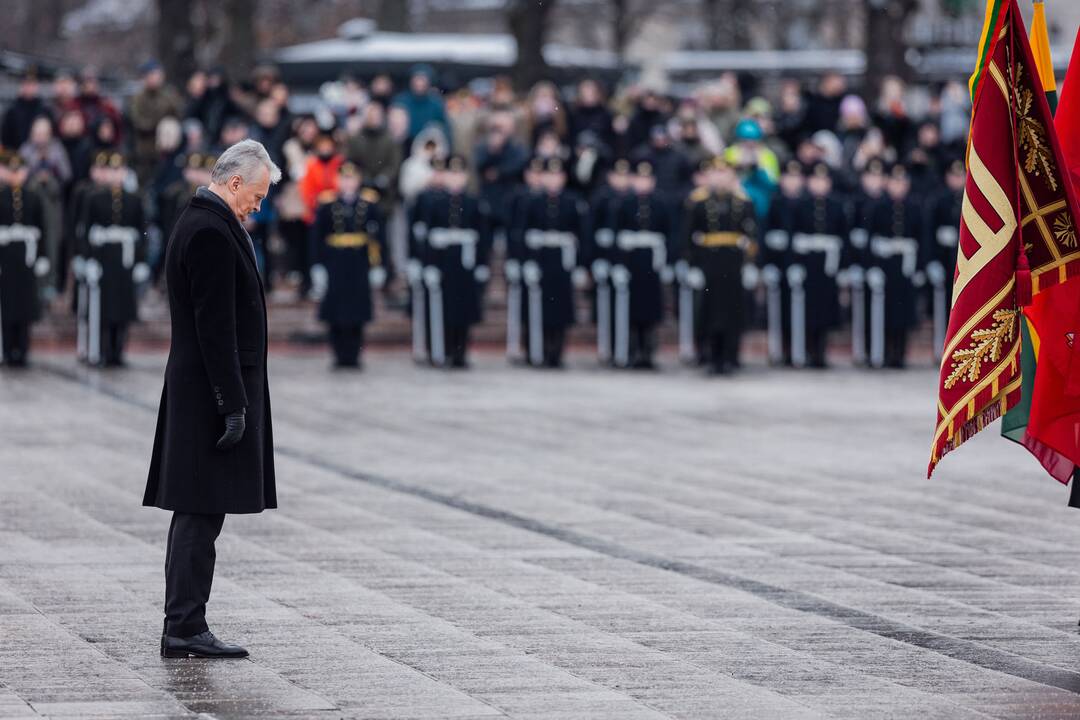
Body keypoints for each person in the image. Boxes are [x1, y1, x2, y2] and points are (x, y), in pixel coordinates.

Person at [144, 139, 280, 659]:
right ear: (236, 181)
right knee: (199, 512)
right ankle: (183, 625)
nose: (259, 206)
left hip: (207, 387)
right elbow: (215, 328)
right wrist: (232, 402)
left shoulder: (211, 224)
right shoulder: (208, 231)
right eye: (258, 195)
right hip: (208, 391)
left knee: (201, 511)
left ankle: (186, 622)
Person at [411, 155, 491, 368]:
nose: (455, 179)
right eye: (451, 174)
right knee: (441, 309)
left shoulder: (473, 202)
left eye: (459, 174)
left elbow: (482, 236)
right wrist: (427, 264)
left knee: (462, 310)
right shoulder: (433, 202)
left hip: (465, 263)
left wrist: (482, 264)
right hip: (442, 262)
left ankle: (460, 352)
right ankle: (439, 350)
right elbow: (425, 236)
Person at [681, 157, 758, 374]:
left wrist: (751, 263)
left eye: (724, 173)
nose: (720, 177)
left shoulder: (743, 201)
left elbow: (752, 234)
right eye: (715, 173)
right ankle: (711, 356)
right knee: (709, 311)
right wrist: (691, 264)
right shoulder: (698, 201)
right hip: (708, 260)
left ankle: (731, 356)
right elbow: (687, 235)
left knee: (733, 311)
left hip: (733, 261)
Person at [309, 162, 388, 368]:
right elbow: (317, 237)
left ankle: (354, 354)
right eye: (344, 178)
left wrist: (379, 266)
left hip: (359, 261)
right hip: (335, 261)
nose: (348, 183)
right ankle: (339, 353)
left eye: (351, 178)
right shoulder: (327, 204)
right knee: (336, 310)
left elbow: (380, 238)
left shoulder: (369, 204)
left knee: (357, 309)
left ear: (358, 180)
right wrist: (317, 265)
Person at [512, 157, 587, 368]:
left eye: (557, 175)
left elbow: (581, 233)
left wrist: (580, 264)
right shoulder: (531, 201)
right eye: (548, 175)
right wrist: (524, 261)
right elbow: (520, 232)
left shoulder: (572, 201)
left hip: (563, 261)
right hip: (540, 259)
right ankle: (535, 351)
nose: (553, 180)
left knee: (560, 309)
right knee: (537, 308)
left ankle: (556, 352)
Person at [75, 152, 147, 367]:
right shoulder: (94, 198)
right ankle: (102, 349)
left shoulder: (135, 199)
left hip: (125, 261)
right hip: (104, 259)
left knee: (122, 308)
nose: (116, 175)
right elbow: (86, 230)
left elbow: (142, 231)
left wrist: (141, 261)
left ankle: (118, 351)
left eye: (120, 170)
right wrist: (88, 258)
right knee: (103, 308)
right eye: (112, 170)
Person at [613, 161, 676, 369]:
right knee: (631, 310)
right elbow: (616, 234)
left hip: (652, 261)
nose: (643, 183)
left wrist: (668, 263)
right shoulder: (625, 203)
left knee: (651, 310)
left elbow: (669, 234)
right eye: (639, 178)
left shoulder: (660, 203)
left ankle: (648, 353)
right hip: (632, 261)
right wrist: (618, 263)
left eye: (647, 179)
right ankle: (631, 351)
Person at [787, 162, 847, 368]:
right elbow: (792, 235)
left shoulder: (837, 205)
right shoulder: (800, 205)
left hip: (828, 265)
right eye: (816, 180)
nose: (819, 184)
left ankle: (821, 353)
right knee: (808, 310)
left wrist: (844, 268)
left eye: (823, 180)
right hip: (808, 263)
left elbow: (843, 236)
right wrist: (794, 263)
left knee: (825, 310)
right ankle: (807, 351)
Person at [867, 163, 923, 369]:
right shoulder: (878, 207)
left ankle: (900, 353)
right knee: (886, 312)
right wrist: (872, 266)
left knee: (903, 313)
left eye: (902, 182)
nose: (898, 186)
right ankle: (884, 352)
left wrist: (920, 268)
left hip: (905, 266)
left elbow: (922, 239)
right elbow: (870, 238)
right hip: (886, 266)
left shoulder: (915, 207)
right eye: (895, 181)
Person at [0, 152, 48, 367]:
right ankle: (8, 349)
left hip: (27, 257)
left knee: (24, 306)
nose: (16, 175)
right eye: (11, 170)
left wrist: (42, 256)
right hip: (7, 256)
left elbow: (42, 228)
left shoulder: (33, 197)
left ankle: (23, 349)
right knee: (8, 305)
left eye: (19, 170)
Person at [128, 60, 185, 186]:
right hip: (145, 149)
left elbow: (179, 114)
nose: (155, 78)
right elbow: (138, 122)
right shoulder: (138, 98)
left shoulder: (169, 94)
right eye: (151, 75)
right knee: (145, 183)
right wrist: (158, 124)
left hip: (167, 150)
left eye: (157, 75)